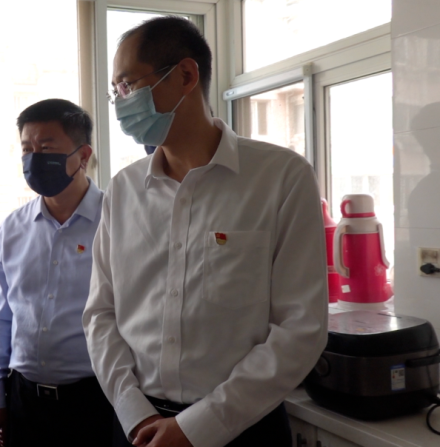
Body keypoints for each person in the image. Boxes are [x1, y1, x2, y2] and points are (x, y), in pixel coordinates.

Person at [83, 16, 328, 447]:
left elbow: (301, 328)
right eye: (115, 90)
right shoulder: (123, 190)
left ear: (185, 75)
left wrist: (197, 427)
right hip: (138, 426)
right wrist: (134, 412)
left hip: (242, 427)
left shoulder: (281, 178)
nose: (120, 102)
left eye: (127, 85)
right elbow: (100, 314)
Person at [0, 99, 113, 447]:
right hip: (24, 401)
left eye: (47, 148)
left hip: (97, 401)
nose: (34, 158)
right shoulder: (13, 228)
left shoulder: (117, 221)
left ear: (83, 155)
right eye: (27, 149)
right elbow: (0, 317)